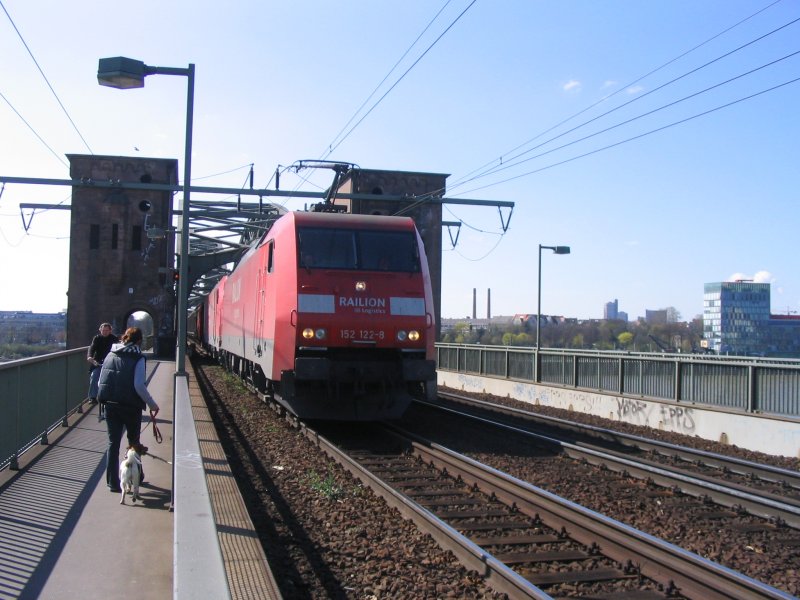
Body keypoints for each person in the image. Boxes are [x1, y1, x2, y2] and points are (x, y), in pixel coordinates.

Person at [97, 327, 160, 493]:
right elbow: (139, 385)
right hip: (131, 407)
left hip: (110, 405)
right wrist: (152, 404)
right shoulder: (138, 358)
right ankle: (137, 476)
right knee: (134, 443)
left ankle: (112, 482)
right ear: (139, 341)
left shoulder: (110, 354)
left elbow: (100, 382)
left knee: (113, 444)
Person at [86, 323, 119, 404]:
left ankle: (112, 397)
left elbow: (118, 350)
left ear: (110, 331)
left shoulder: (114, 339)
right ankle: (92, 397)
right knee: (94, 377)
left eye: (106, 330)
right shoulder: (97, 338)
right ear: (100, 330)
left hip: (111, 363)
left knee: (113, 379)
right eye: (103, 330)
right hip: (98, 362)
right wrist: (90, 357)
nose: (104, 332)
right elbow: (92, 348)